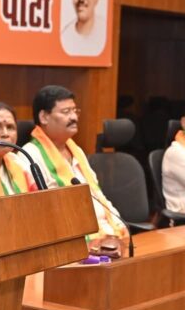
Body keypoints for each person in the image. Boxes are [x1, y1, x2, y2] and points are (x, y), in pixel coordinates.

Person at [22, 85, 127, 245]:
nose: (74, 117)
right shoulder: (29, 156)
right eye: (66, 112)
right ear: (44, 117)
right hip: (73, 241)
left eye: (75, 111)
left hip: (106, 234)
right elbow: (42, 214)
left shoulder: (76, 150)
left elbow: (98, 195)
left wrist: (120, 226)